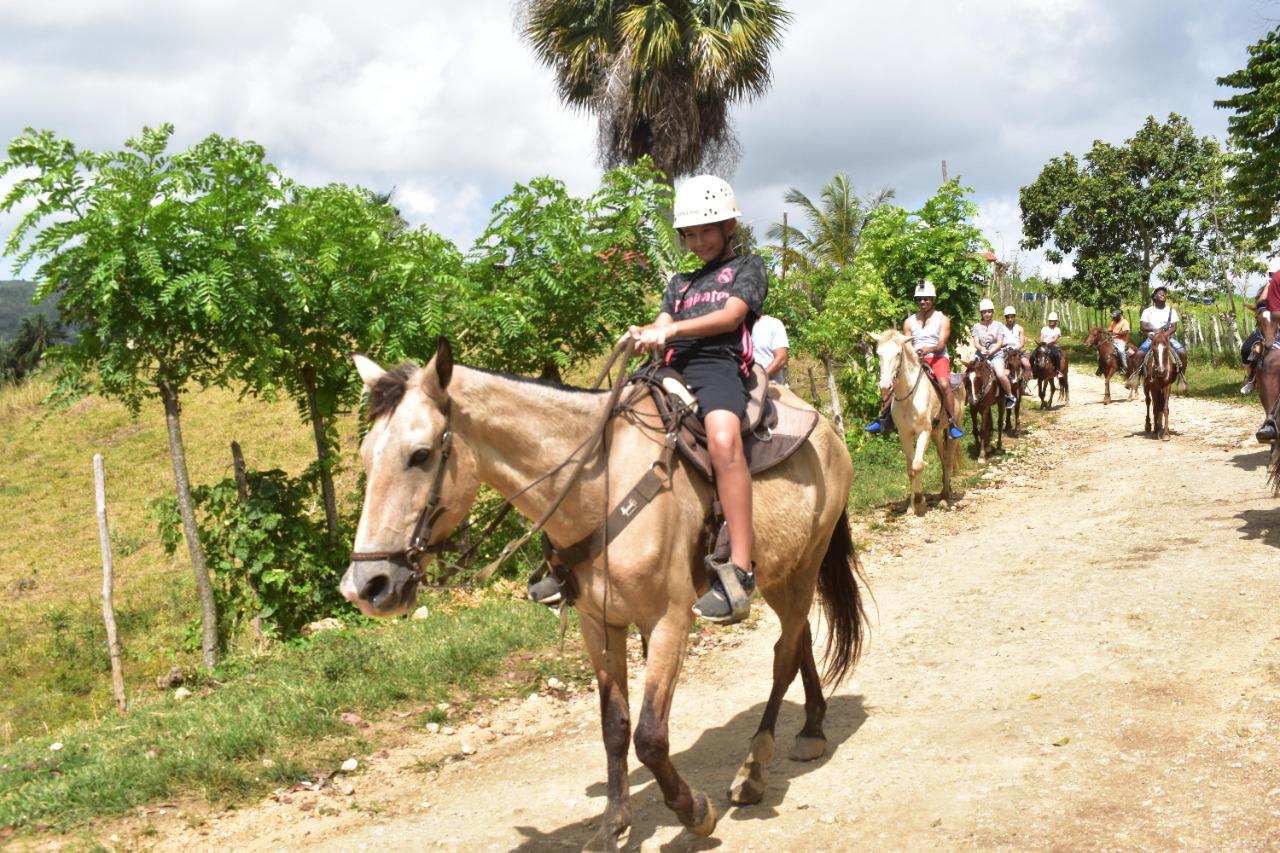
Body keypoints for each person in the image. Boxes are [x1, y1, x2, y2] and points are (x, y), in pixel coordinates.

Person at [625, 174, 766, 624]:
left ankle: (741, 569)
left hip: (717, 364)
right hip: (669, 362)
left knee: (724, 439)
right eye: (690, 233)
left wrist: (672, 330)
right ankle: (568, 555)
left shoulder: (748, 268)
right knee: (606, 416)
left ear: (729, 227)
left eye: (707, 230)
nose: (699, 240)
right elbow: (662, 319)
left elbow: (730, 317)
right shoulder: (679, 282)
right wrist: (646, 333)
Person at [1127, 284, 1187, 388]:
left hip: (1167, 338)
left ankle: (1181, 378)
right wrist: (1155, 331)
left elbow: (1173, 327)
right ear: (1154, 296)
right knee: (1139, 354)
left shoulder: (1171, 311)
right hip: (1152, 338)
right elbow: (1143, 326)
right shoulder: (1148, 311)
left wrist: (1164, 335)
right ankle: (1136, 376)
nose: (1162, 293)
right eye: (1159, 292)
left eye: (1164, 292)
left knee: (1182, 353)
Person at [970, 298, 1017, 409]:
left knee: (1000, 374)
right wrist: (981, 348)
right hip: (980, 354)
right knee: (969, 371)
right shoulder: (976, 326)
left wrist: (990, 351)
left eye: (989, 311)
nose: (987, 314)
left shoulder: (998, 325)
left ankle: (1010, 396)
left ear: (992, 312)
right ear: (981, 313)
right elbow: (976, 342)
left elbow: (1000, 342)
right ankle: (968, 395)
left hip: (996, 354)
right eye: (984, 312)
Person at [1243, 257, 1280, 395]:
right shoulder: (1264, 291)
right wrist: (1269, 286)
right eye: (1272, 275)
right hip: (1267, 328)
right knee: (1249, 349)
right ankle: (1252, 379)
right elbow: (1260, 305)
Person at [751, 313, 790, 384]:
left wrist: (760, 378)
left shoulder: (774, 324)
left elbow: (781, 359)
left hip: (769, 385)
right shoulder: (735, 326)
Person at [1001, 306, 1032, 393]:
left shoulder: (1020, 328)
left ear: (1014, 317)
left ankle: (1023, 387)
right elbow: (1001, 342)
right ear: (1005, 318)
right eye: (1008, 317)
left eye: (1012, 317)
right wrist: (1006, 345)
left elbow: (1022, 343)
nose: (1010, 319)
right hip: (1006, 351)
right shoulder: (1002, 328)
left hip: (1017, 351)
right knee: (999, 366)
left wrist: (1016, 349)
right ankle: (1002, 387)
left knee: (1027, 365)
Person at [1038, 311, 1065, 378]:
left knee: (1056, 355)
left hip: (1052, 345)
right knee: (1034, 353)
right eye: (1050, 320)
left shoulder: (1057, 329)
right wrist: (1041, 342)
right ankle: (1034, 370)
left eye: (1053, 320)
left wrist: (1046, 343)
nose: (1052, 322)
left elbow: (1055, 339)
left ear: (1056, 321)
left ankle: (1058, 371)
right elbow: (1041, 336)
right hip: (1043, 345)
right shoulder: (1044, 328)